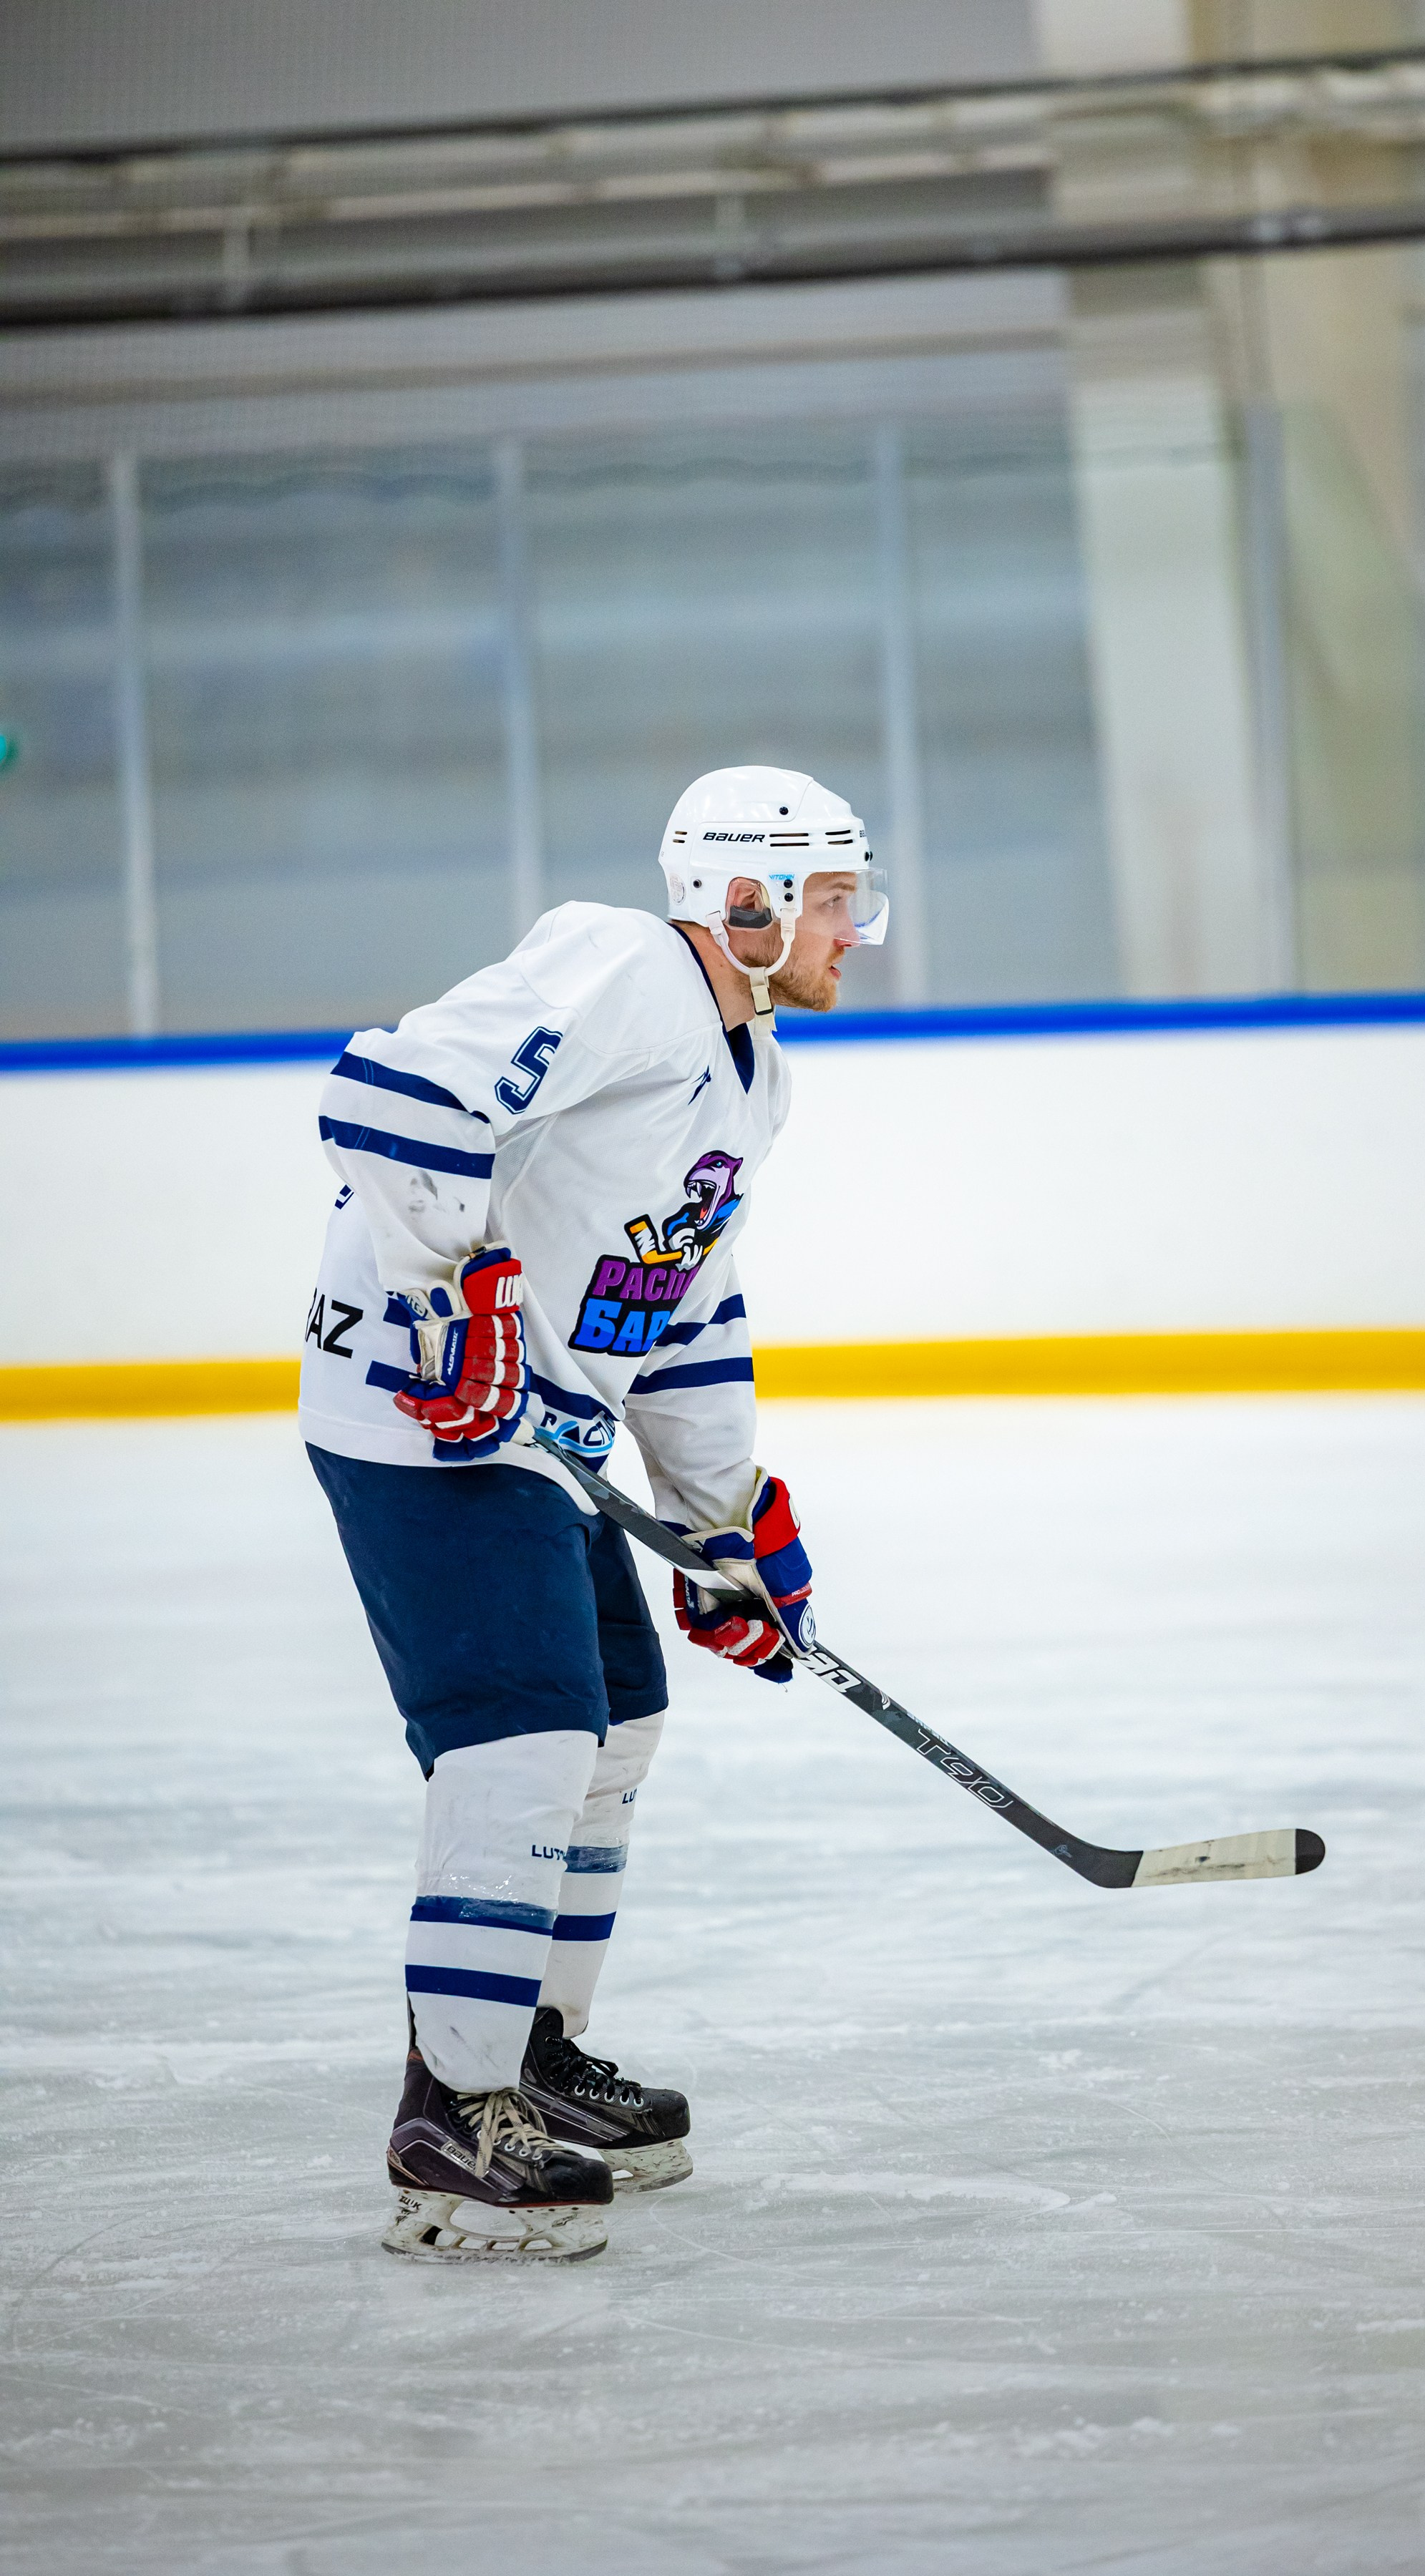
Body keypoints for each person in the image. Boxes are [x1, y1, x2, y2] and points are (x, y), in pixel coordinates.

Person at [299, 766, 888, 2262]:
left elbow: (676, 1308)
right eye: (832, 900)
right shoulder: (624, 964)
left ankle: (540, 2054)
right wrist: (456, 1286)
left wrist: (721, 1520)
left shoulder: (756, 1078)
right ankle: (455, 2104)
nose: (856, 931)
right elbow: (390, 1091)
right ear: (742, 901)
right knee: (527, 1735)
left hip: (537, 1444)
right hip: (422, 1421)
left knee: (618, 1721)